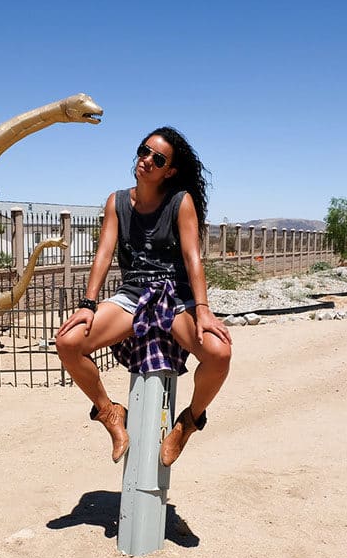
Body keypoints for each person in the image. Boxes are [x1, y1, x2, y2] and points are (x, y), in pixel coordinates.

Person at [56, 127, 232, 467]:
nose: (146, 160)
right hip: (133, 295)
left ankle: (189, 422)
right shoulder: (117, 201)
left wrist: (204, 311)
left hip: (175, 297)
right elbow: (104, 254)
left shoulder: (180, 203)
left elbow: (193, 256)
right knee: (68, 342)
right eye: (144, 151)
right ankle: (109, 412)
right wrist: (88, 305)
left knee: (219, 353)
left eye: (158, 158)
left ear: (170, 170)